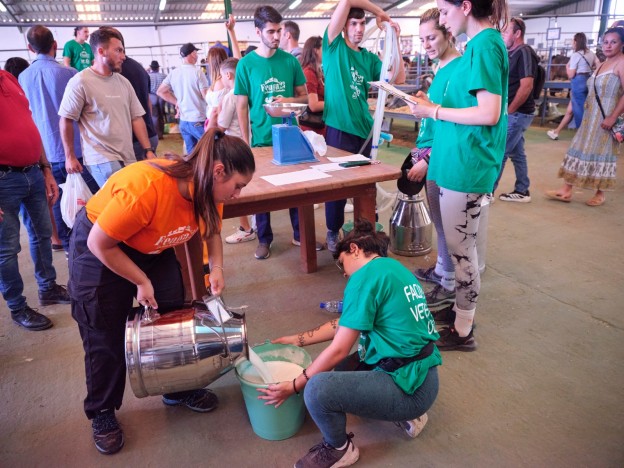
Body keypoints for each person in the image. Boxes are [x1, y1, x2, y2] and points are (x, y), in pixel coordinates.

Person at [68, 129, 255, 455]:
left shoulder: (209, 191)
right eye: (238, 185)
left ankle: (176, 387)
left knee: (172, 314)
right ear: (218, 171)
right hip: (101, 246)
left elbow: (211, 232)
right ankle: (102, 410)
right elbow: (99, 243)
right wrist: (141, 281)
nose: (238, 194)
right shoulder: (148, 188)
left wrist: (217, 269)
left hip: (152, 245)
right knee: (104, 331)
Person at [258, 219, 441, 468]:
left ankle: (339, 448)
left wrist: (294, 385)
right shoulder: (392, 269)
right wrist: (298, 339)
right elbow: (345, 324)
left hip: (410, 390)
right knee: (344, 369)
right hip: (423, 378)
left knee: (317, 389)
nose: (344, 273)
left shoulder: (364, 278)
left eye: (341, 262)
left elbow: (338, 349)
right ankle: (409, 415)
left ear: (354, 249)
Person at [408, 0, 509, 351]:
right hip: (454, 159)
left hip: (468, 164)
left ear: (465, 6)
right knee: (457, 248)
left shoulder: (486, 45)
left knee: (463, 254)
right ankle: (459, 312)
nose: (442, 18)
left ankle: (464, 330)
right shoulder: (477, 46)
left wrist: (433, 110)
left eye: (443, 10)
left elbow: (489, 113)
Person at [322, 0, 405, 253]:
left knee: (366, 188)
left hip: (365, 131)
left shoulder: (367, 58)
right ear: (344, 27)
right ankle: (333, 231)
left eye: (362, 24)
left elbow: (398, 78)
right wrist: (380, 13)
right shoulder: (334, 46)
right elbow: (347, 1)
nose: (359, 29)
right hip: (339, 129)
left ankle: (367, 234)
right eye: (354, 24)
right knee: (337, 188)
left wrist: (394, 38)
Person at [234, 5, 310, 260]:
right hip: (261, 140)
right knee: (261, 194)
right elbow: (242, 105)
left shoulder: (290, 61)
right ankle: (264, 239)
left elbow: (304, 98)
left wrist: (287, 100)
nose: (277, 36)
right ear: (258, 32)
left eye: (279, 31)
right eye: (271, 31)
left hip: (290, 136)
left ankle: (300, 234)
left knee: (297, 189)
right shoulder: (246, 65)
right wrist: (246, 141)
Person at [19, 25, 100, 255]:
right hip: (76, 149)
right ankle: (93, 242)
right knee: (92, 197)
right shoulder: (70, 73)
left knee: (57, 197)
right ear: (55, 45)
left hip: (45, 152)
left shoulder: (23, 78)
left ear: (30, 48)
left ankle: (67, 247)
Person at [0, 69, 71, 332]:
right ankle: (18, 307)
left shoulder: (8, 78)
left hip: (33, 172)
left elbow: (30, 125)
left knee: (42, 234)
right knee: (7, 249)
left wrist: (46, 168)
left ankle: (48, 288)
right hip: (3, 179)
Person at [406, 8, 461, 312]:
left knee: (446, 225)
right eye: (422, 39)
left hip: (440, 156)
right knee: (440, 223)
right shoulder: (441, 67)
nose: (426, 44)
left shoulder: (456, 69)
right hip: (432, 152)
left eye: (431, 37)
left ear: (448, 33)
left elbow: (454, 124)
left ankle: (449, 285)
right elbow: (438, 112)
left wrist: (428, 160)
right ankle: (442, 270)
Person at [59, 28, 155, 188]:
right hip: (101, 159)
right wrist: (70, 156)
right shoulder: (80, 82)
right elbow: (66, 120)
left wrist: (148, 149)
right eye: (118, 50)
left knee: (131, 198)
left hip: (127, 156)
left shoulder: (123, 82)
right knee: (121, 198)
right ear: (101, 51)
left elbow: (136, 118)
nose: (123, 56)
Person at [546, 27, 624, 207]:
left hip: (606, 116)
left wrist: (613, 117)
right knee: (578, 146)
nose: (608, 46)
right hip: (590, 115)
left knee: (602, 151)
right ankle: (566, 189)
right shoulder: (602, 63)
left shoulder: (621, 63)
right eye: (605, 42)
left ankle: (600, 193)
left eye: (613, 42)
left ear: (622, 44)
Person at [494, 17, 539, 203]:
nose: (503, 36)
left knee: (500, 151)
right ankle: (522, 190)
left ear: (517, 33)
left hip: (518, 113)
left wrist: (510, 111)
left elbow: (526, 85)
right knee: (517, 153)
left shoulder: (524, 52)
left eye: (506, 32)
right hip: (516, 113)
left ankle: (487, 192)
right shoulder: (512, 54)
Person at [157, 43, 209, 153]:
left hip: (184, 121)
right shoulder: (198, 72)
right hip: (197, 119)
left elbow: (160, 91)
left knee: (191, 153)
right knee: (211, 148)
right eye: (196, 53)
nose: (197, 55)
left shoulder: (174, 73)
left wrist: (177, 102)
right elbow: (206, 97)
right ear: (193, 54)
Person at [567, 32, 600, 129]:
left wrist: (567, 67)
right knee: (587, 106)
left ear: (576, 41)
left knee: (578, 108)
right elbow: (599, 65)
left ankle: (581, 130)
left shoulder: (576, 55)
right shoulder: (591, 53)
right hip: (588, 79)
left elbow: (571, 74)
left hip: (578, 81)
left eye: (573, 41)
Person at [299, 36, 326, 136]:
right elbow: (313, 105)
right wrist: (336, 103)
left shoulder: (318, 71)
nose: (327, 51)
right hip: (312, 129)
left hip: (318, 126)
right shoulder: (309, 73)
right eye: (324, 48)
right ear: (315, 50)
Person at [148, 60, 167, 139]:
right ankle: (161, 132)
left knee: (154, 116)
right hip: (162, 96)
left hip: (152, 96)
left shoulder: (148, 76)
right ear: (158, 68)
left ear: (151, 68)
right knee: (161, 114)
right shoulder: (163, 76)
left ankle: (157, 134)